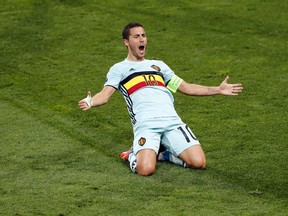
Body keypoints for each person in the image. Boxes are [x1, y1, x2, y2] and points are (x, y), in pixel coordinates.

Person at [78, 22, 243, 176]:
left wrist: (218, 90)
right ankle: (131, 155)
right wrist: (91, 101)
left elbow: (186, 87)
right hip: (146, 125)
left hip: (172, 122)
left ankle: (164, 154)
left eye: (143, 35)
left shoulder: (159, 66)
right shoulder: (119, 69)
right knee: (145, 169)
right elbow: (105, 95)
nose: (142, 39)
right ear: (126, 42)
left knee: (199, 163)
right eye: (137, 36)